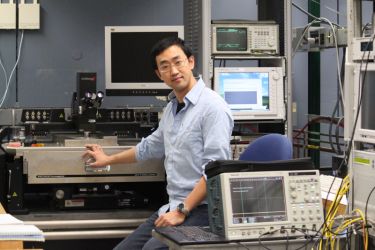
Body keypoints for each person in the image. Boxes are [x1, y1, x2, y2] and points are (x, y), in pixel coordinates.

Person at [84, 37, 233, 250]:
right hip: (174, 205)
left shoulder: (213, 108)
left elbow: (214, 171)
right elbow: (150, 146)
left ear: (190, 62)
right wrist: (108, 159)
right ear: (159, 74)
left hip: (202, 209)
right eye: (165, 66)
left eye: (178, 62)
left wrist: (182, 211)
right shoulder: (172, 108)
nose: (173, 70)